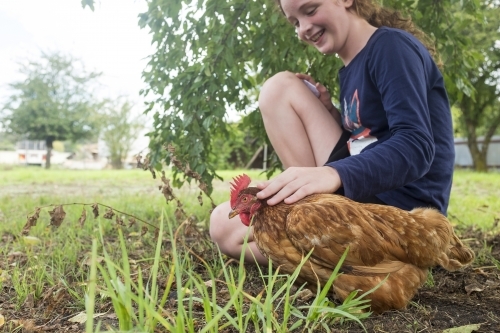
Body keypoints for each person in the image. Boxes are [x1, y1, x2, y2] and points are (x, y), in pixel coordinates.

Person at [209, 0, 455, 265]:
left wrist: (333, 173)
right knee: (281, 89)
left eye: (310, 10)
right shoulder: (350, 68)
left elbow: (415, 147)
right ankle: (309, 225)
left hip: (400, 210)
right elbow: (369, 140)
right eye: (295, 23)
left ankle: (376, 259)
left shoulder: (392, 48)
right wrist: (333, 115)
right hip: (367, 195)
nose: (303, 28)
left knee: (226, 227)